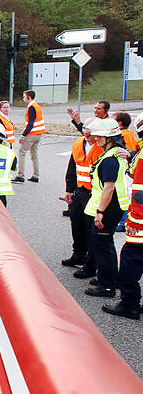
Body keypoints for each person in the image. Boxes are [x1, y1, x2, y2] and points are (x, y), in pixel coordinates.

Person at [78, 118, 129, 297]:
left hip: (108, 207)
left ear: (109, 138)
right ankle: (109, 279)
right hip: (109, 206)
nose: (95, 138)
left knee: (102, 245)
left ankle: (107, 286)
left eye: (99, 136)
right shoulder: (113, 153)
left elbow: (109, 187)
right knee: (104, 244)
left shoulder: (109, 159)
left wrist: (100, 213)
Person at [105, 112, 143, 319]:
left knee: (129, 263)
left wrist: (134, 223)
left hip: (140, 227)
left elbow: (139, 194)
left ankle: (129, 304)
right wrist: (130, 155)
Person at [60, 121, 103, 267]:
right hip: (80, 191)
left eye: (90, 129)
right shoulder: (78, 144)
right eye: (85, 128)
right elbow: (72, 168)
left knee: (91, 228)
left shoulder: (102, 146)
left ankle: (92, 262)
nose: (87, 132)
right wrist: (68, 190)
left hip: (95, 193)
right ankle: (78, 254)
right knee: (77, 225)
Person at [12, 90, 45, 183]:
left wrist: (23, 135)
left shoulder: (31, 107)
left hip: (31, 134)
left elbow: (30, 124)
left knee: (22, 153)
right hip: (38, 134)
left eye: (24, 97)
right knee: (34, 154)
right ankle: (36, 175)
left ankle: (20, 175)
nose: (23, 99)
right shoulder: (37, 106)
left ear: (29, 98)